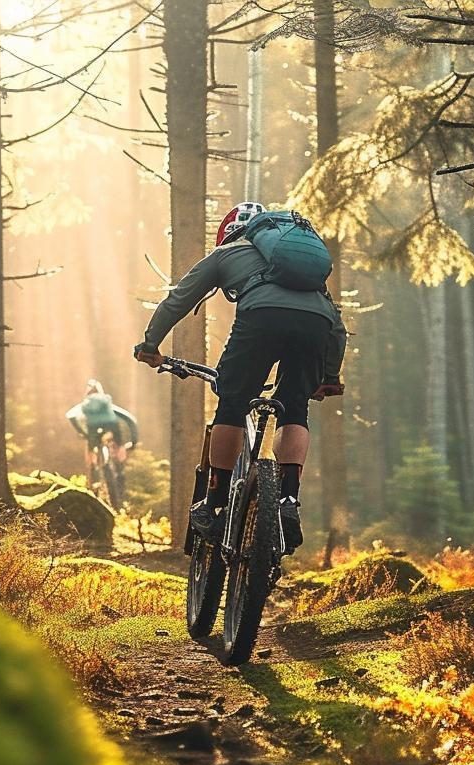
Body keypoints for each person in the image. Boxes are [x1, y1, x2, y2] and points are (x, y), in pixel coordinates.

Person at [133, 202, 346, 556]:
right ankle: (289, 498)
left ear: (230, 233)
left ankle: (214, 503)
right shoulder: (301, 269)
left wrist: (150, 344)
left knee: (232, 405)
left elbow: (178, 301)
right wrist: (330, 375)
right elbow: (335, 324)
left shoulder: (225, 254)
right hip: (315, 326)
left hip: (260, 318)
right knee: (295, 410)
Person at [65, 380, 140, 468]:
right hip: (111, 425)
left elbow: (71, 416)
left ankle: (91, 466)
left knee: (91, 448)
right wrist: (133, 442)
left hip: (93, 427)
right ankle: (120, 465)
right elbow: (130, 419)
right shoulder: (107, 405)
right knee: (119, 448)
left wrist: (83, 433)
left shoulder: (84, 405)